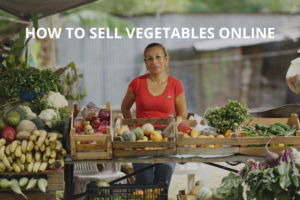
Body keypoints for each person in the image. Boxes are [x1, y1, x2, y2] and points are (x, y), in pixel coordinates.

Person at [121, 43, 187, 188]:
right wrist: (134, 130)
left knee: (161, 186)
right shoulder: (137, 83)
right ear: (145, 63)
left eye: (158, 57)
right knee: (144, 185)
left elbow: (182, 115)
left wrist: (171, 133)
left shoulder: (176, 85)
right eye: (150, 59)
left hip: (167, 143)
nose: (155, 62)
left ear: (166, 59)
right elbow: (125, 107)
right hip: (142, 143)